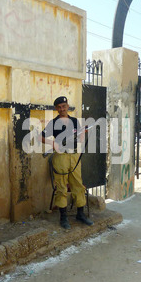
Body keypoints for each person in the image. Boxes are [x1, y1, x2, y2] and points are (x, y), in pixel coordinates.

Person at [41, 96, 93, 229]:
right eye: (59, 107)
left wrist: (82, 134)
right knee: (62, 187)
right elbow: (41, 137)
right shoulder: (53, 123)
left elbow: (80, 140)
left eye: (64, 106)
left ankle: (80, 214)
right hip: (61, 157)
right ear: (56, 109)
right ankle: (63, 218)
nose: (62, 109)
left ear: (67, 106)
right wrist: (53, 144)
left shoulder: (75, 121)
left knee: (78, 185)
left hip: (74, 156)